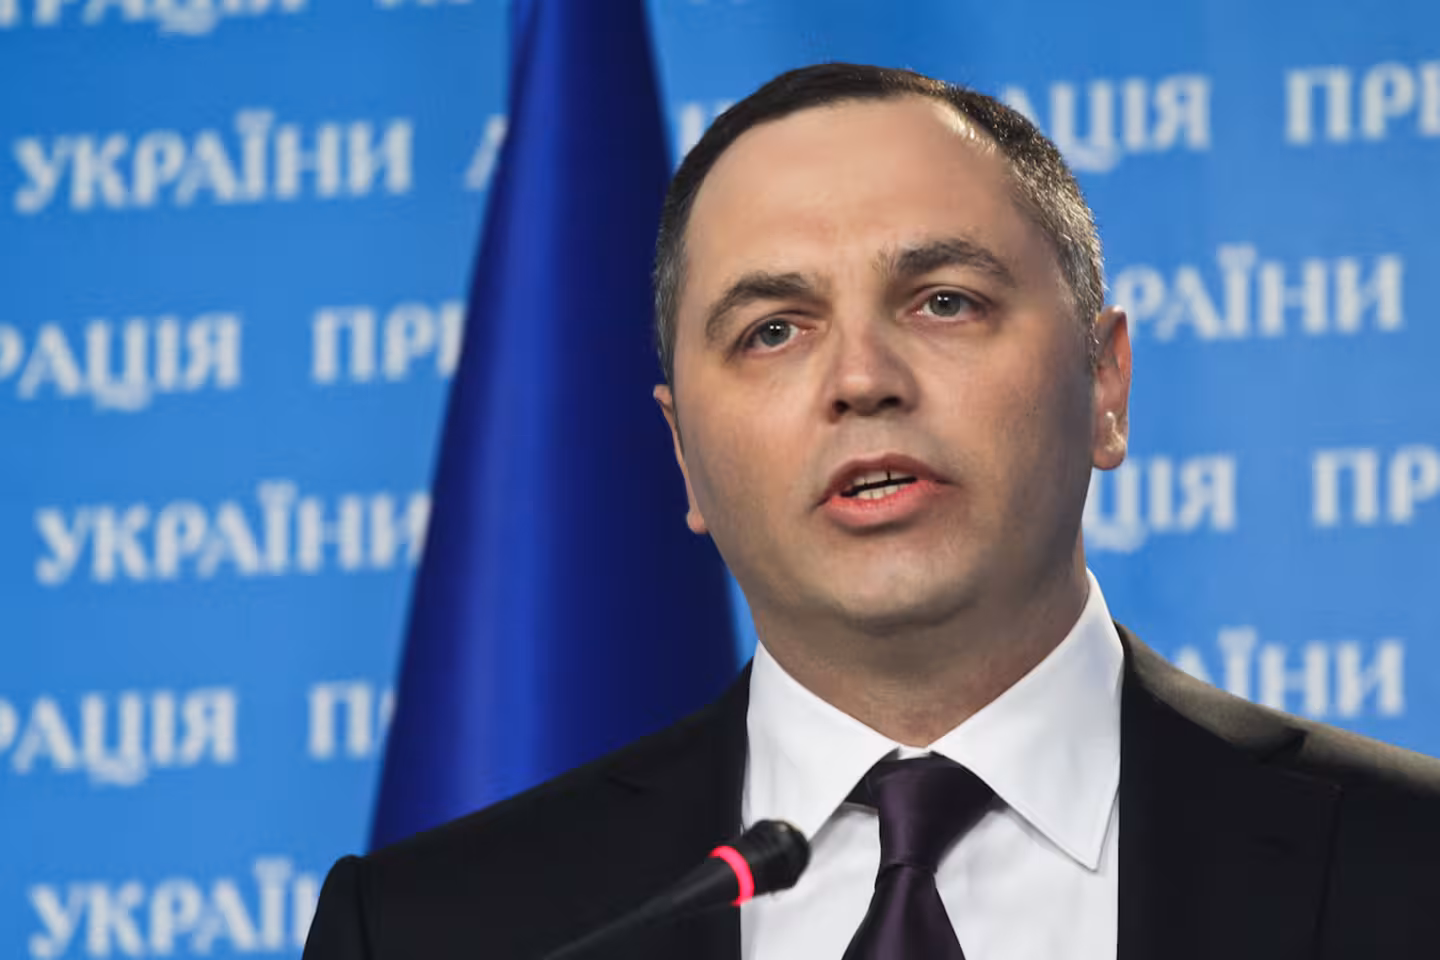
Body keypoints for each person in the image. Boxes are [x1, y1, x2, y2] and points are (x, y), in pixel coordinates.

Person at [302, 63, 1440, 960]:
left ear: (1105, 386)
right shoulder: (435, 931)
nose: (861, 378)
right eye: (773, 331)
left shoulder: (1411, 867)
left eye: (944, 302)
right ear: (683, 457)